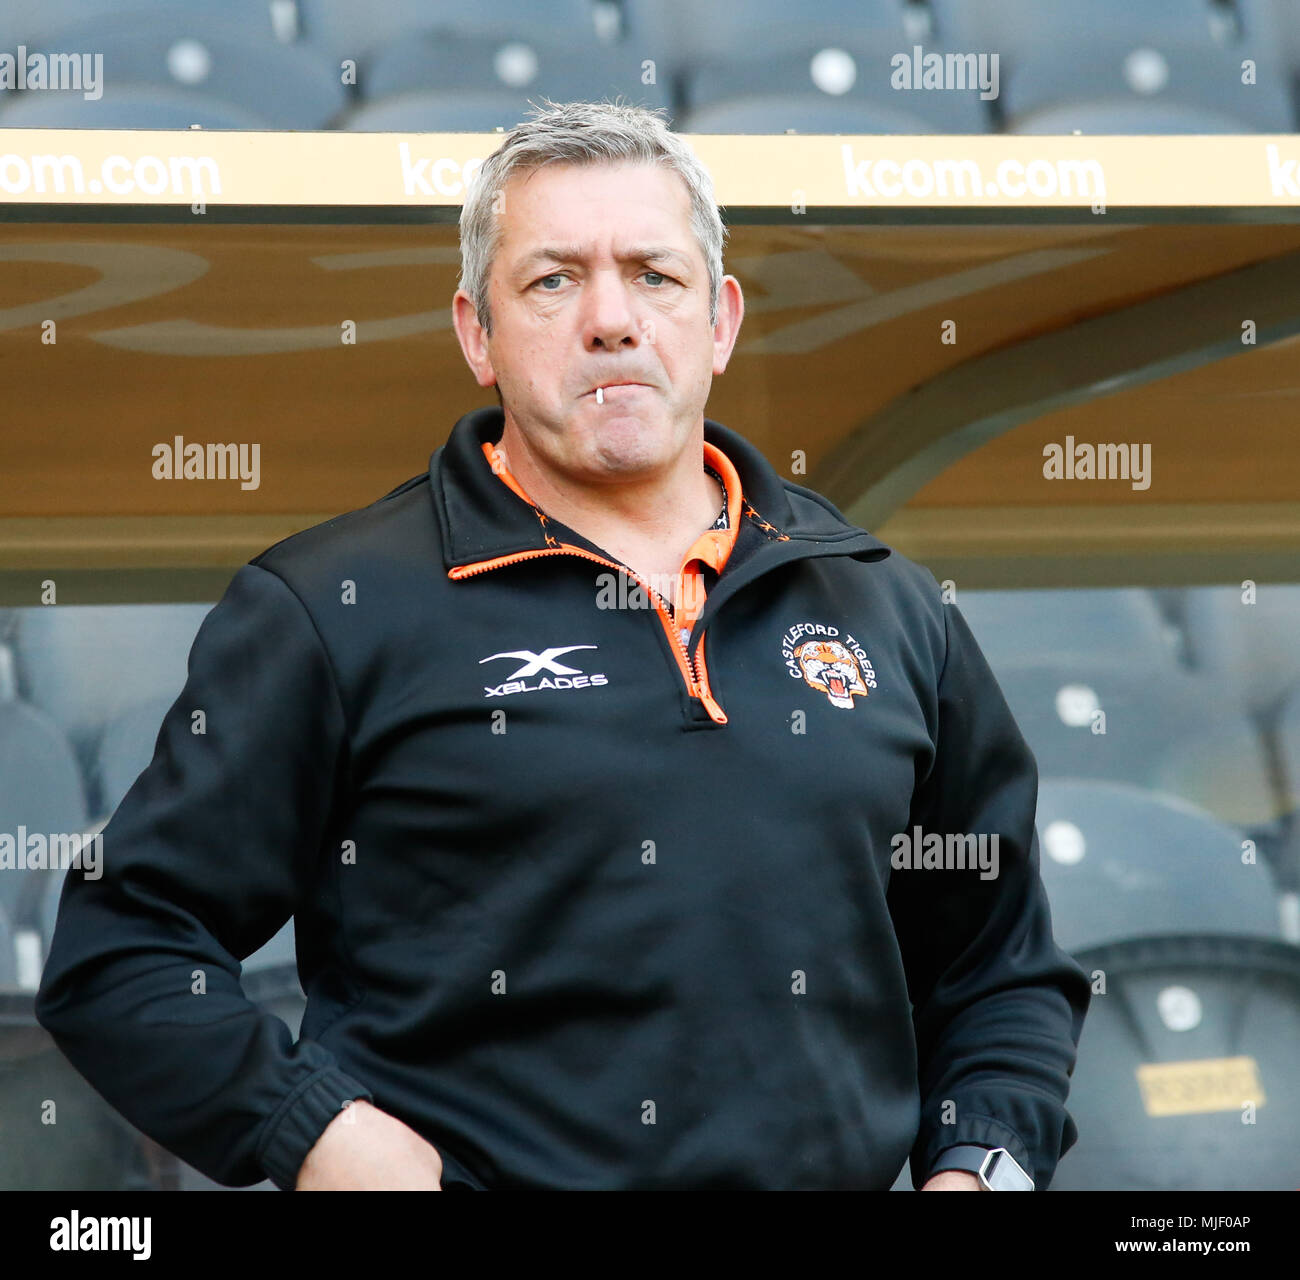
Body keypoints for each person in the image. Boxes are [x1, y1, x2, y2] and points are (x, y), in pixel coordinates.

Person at [36, 98, 1090, 1191]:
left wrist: (981, 1167)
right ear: (475, 333)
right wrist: (315, 1129)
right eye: (551, 279)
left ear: (720, 322)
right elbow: (126, 949)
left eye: (654, 275)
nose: (611, 319)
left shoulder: (888, 605)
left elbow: (999, 968)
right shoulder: (331, 605)